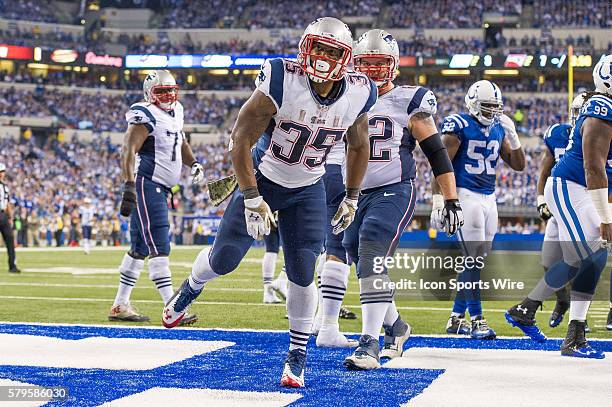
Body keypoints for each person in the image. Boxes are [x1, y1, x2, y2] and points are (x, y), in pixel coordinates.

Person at [162, 17, 375, 388]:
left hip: (309, 186)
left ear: (346, 58)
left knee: (303, 271)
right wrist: (250, 196)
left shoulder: (359, 91)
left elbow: (358, 145)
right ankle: (192, 285)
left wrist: (353, 197)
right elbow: (240, 138)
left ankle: (296, 355)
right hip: (264, 177)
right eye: (317, 47)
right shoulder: (281, 77)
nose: (321, 57)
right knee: (224, 260)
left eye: (331, 51)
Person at [341, 29, 462, 369]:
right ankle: (396, 326)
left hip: (394, 188)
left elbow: (436, 153)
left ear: (393, 67)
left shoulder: (411, 100)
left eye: (380, 65)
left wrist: (450, 198)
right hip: (354, 193)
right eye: (367, 64)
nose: (373, 72)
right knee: (357, 256)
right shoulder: (343, 96)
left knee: (370, 248)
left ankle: (369, 343)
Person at [506, 55, 612, 358]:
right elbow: (593, 167)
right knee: (584, 255)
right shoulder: (601, 107)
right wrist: (605, 217)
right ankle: (526, 309)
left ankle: (573, 332)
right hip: (571, 185)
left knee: (595, 256)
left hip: (587, 190)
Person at [109, 69, 205, 324]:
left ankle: (120, 305)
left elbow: (180, 141)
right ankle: (171, 307)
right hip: (147, 183)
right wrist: (129, 185)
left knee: (139, 248)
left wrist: (193, 163)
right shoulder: (144, 112)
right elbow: (128, 148)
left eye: (172, 90)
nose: (168, 95)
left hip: (161, 187)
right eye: (161, 91)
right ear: (149, 94)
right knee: (160, 244)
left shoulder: (177, 112)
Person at [432, 80, 525, 339]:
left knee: (476, 261)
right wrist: (439, 199)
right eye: (487, 107)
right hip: (464, 195)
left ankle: (455, 318)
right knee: (472, 259)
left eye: (495, 107)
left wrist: (514, 137)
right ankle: (477, 320)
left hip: (488, 197)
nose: (492, 112)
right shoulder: (458, 125)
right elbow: (441, 162)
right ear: (473, 104)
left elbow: (518, 165)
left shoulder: (498, 128)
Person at [505, 93, 586, 333]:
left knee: (582, 262)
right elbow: (544, 171)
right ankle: (561, 302)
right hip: (561, 204)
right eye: (578, 112)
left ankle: (577, 321)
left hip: (584, 204)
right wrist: (541, 200)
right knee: (550, 262)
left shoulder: (601, 134)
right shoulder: (558, 134)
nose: (580, 117)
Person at [0, 163, 19, 273]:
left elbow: (7, 203)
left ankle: (12, 266)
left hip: (3, 215)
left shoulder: (4, 187)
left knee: (10, 241)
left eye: (2, 172)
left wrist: (10, 217)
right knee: (10, 241)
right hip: (2, 215)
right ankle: (12, 266)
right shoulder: (4, 187)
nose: (2, 174)